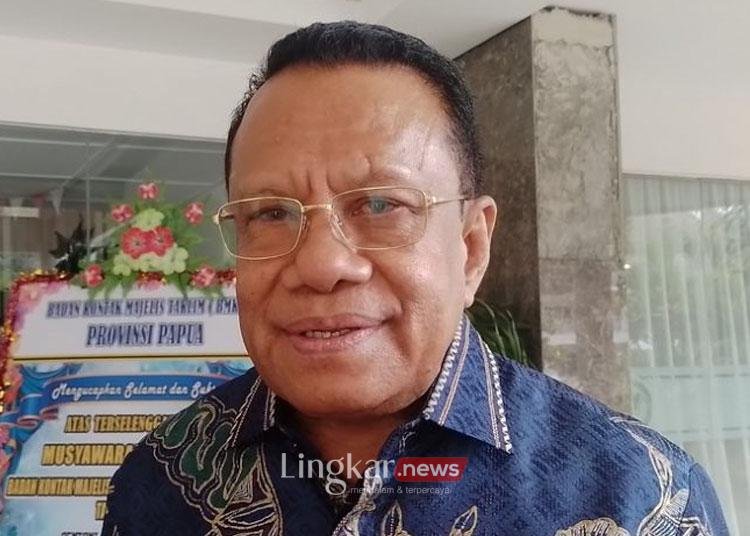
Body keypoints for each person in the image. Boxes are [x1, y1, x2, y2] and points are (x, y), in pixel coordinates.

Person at [102, 21, 728, 536]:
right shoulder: (160, 480)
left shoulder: (641, 497)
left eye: (381, 205)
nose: (321, 265)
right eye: (270, 214)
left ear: (471, 247)